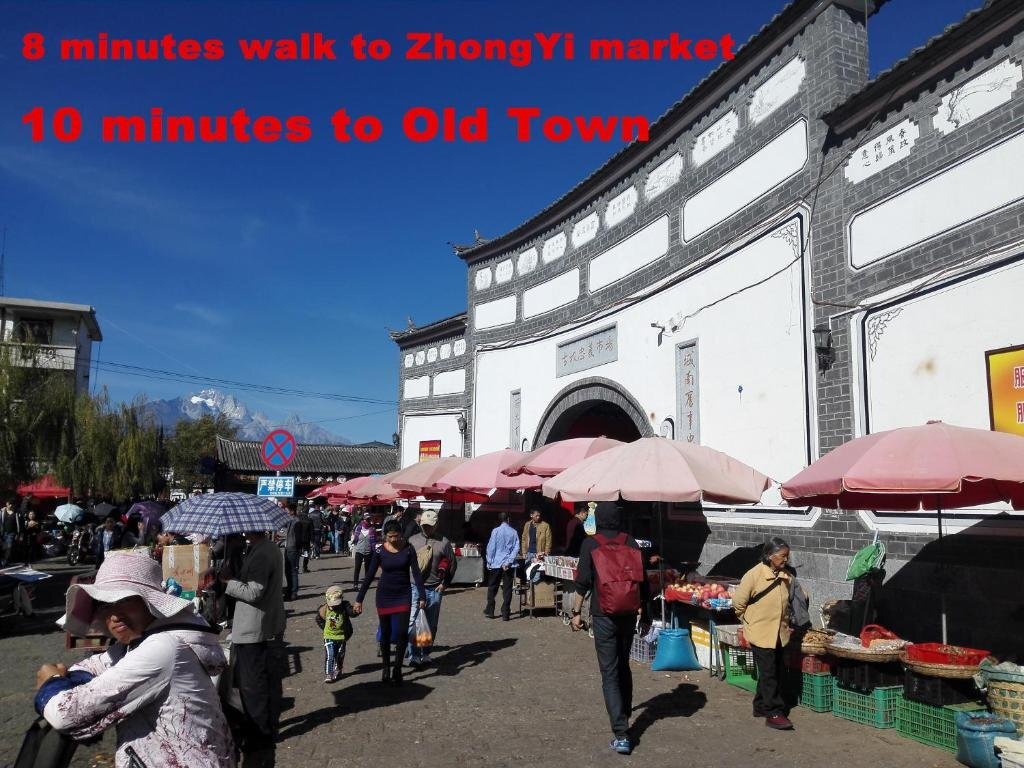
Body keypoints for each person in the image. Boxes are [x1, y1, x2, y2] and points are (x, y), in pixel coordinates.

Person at [34, 552, 234, 767]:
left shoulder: (162, 648)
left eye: (125, 600)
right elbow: (95, 665)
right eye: (105, 604)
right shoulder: (139, 642)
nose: (114, 615)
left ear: (150, 603)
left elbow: (66, 714)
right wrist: (67, 679)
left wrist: (52, 681)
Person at [570, 501, 647, 756]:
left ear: (598, 520)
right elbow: (643, 581)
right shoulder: (631, 542)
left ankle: (621, 733)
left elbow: (582, 581)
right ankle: (624, 712)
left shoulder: (590, 543)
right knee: (623, 665)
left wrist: (576, 613)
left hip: (603, 614)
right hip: (628, 613)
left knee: (609, 672)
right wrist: (644, 610)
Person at [222, 528, 286, 766]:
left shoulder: (263, 552)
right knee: (255, 682)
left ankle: (259, 735)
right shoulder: (263, 549)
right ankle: (259, 729)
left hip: (254, 627)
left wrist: (228, 581)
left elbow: (254, 592)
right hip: (257, 624)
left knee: (252, 685)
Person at [732, 536, 795, 731]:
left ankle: (760, 705)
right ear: (769, 556)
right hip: (760, 632)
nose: (786, 559)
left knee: (774, 670)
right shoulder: (753, 575)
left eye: (787, 556)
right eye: (782, 556)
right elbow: (738, 603)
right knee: (769, 673)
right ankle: (773, 712)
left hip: (779, 633)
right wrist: (748, 622)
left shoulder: (786, 576)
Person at [353, 520, 425, 685]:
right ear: (385, 535)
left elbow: (416, 572)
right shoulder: (379, 551)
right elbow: (369, 575)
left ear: (401, 534)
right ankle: (386, 667)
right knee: (385, 633)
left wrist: (422, 596)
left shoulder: (408, 549)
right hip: (384, 596)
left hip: (403, 594)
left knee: (402, 633)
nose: (393, 539)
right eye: (390, 536)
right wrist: (359, 599)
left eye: (396, 536)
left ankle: (397, 668)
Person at [406, 509, 457, 667]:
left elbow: (452, 564)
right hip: (415, 587)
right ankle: (414, 655)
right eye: (424, 525)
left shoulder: (444, 542)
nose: (427, 528)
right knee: (414, 622)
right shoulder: (412, 540)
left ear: (436, 525)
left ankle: (426, 652)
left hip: (434, 588)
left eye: (430, 526)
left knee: (430, 623)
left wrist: (445, 584)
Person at [484, 512, 519, 621]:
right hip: (508, 565)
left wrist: (489, 561)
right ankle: (505, 613)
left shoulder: (495, 531)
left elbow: (491, 547)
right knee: (507, 589)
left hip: (496, 563)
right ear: (508, 519)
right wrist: (509, 561)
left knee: (492, 587)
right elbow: (516, 548)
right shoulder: (514, 532)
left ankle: (490, 610)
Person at [316, 585, 354, 683]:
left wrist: (355, 611)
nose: (333, 606)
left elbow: (351, 612)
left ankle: (338, 668)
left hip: (341, 636)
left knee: (340, 655)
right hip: (329, 636)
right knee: (330, 655)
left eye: (336, 604)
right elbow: (319, 619)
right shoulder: (324, 609)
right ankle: (329, 673)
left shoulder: (345, 606)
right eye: (332, 604)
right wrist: (325, 628)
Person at [280, 503, 309, 601]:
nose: (286, 513)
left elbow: (298, 538)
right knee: (287, 571)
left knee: (293, 571)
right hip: (288, 547)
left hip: (293, 549)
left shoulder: (297, 522)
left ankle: (293, 592)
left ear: (292, 511)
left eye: (287, 511)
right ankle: (289, 590)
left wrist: (298, 549)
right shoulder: (290, 521)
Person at [350, 513, 377, 589]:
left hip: (369, 551)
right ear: (363, 519)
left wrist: (374, 550)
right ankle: (355, 584)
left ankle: (366, 584)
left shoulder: (372, 529)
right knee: (357, 568)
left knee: (367, 569)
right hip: (359, 551)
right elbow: (354, 538)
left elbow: (375, 540)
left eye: (369, 519)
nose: (368, 521)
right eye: (366, 519)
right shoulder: (358, 528)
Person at [1, 498, 20, 567]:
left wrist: (18, 533)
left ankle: (5, 561)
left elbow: (17, 524)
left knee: (9, 546)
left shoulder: (15, 513)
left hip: (11, 533)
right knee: (4, 547)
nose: (10, 505)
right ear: (7, 504)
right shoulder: (2, 512)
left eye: (11, 504)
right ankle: (4, 560)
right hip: (3, 533)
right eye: (9, 504)